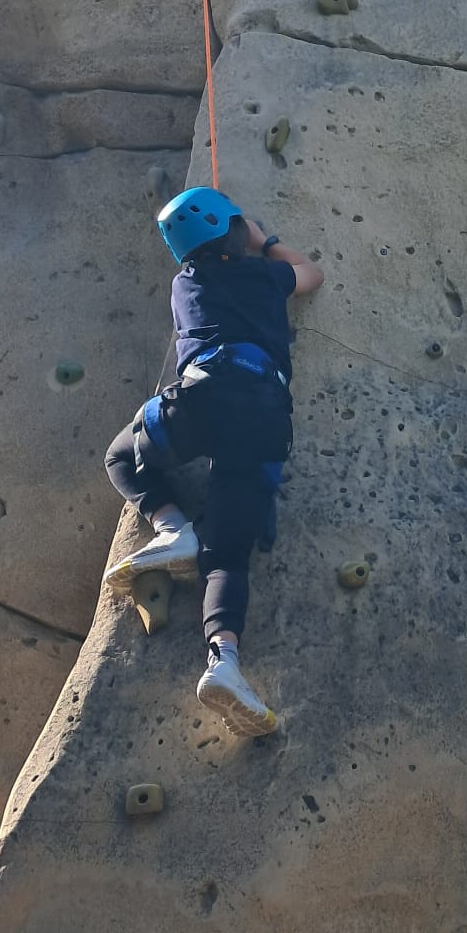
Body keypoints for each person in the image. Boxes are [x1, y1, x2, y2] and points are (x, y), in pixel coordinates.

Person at [103, 186, 323, 736]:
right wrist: (265, 241)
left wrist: (238, 237)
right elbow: (312, 273)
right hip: (266, 417)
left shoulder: (186, 284)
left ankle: (173, 528)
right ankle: (223, 662)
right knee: (228, 556)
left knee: (121, 456)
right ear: (233, 231)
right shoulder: (265, 277)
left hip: (204, 398)